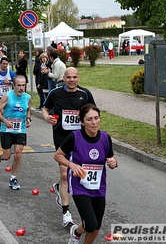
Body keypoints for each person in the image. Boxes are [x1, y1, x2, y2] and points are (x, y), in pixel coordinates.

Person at [54, 104, 118, 244]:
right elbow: (58, 155)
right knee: (90, 224)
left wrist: (113, 162)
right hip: (80, 186)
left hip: (98, 187)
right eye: (89, 119)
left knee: (96, 226)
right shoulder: (75, 137)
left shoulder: (105, 138)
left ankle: (78, 235)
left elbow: (111, 158)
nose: (94, 122)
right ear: (82, 122)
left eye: (96, 118)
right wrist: (71, 165)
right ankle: (77, 231)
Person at [42, 67, 96, 228]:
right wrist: (47, 117)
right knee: (65, 174)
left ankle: (60, 188)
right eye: (68, 77)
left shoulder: (85, 94)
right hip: (62, 138)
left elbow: (93, 113)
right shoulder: (55, 93)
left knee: (81, 174)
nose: (71, 80)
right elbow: (45, 108)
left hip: (81, 139)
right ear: (63, 78)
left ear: (78, 78)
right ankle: (66, 213)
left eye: (74, 77)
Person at [0, 75, 32, 190]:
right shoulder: (7, 97)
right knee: (7, 156)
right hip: (7, 129)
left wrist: (28, 119)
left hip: (20, 130)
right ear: (14, 85)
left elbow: (29, 109)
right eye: (19, 85)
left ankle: (13, 178)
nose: (21, 88)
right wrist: (5, 121)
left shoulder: (28, 97)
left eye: (23, 85)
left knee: (18, 153)